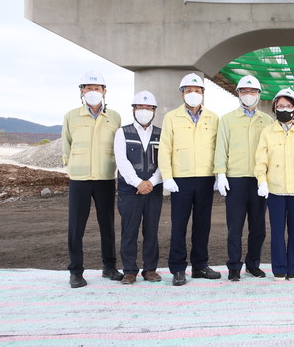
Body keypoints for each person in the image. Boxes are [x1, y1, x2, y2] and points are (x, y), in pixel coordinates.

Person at [62, 71, 123, 288]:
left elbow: (118, 146)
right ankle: (76, 271)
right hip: (80, 178)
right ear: (81, 91)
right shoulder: (71, 116)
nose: (93, 92)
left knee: (107, 224)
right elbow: (66, 145)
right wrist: (72, 167)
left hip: (105, 177)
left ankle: (109, 267)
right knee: (76, 227)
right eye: (88, 88)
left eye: (97, 88)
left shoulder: (114, 117)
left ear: (105, 91)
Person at [159, 73, 221, 286]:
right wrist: (167, 176)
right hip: (181, 179)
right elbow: (165, 148)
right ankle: (178, 269)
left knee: (202, 225)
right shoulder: (171, 117)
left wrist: (218, 174)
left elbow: (218, 148)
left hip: (205, 178)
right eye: (188, 90)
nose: (193, 94)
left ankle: (200, 266)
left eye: (197, 90)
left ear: (203, 93)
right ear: (182, 94)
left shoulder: (213, 118)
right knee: (179, 225)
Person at [214, 75, 273, 281]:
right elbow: (221, 147)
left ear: (259, 95)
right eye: (244, 91)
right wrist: (221, 174)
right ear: (238, 94)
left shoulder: (267, 120)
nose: (248, 95)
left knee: (258, 227)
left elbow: (271, 151)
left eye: (252, 91)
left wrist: (268, 178)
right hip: (235, 179)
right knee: (235, 227)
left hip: (259, 180)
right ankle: (233, 266)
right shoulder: (227, 119)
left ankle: (253, 264)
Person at [254, 88, 294, 281]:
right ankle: (279, 268)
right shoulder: (267, 132)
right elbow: (261, 160)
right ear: (274, 108)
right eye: (280, 106)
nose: (284, 109)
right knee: (277, 231)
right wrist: (262, 181)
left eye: (288, 106)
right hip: (275, 190)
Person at [114, 91, 163, 284]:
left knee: (151, 230)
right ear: (134, 110)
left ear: (154, 111)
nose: (145, 111)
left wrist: (151, 182)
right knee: (129, 231)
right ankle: (129, 271)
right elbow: (122, 161)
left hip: (153, 190)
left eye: (149, 108)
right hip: (129, 191)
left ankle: (150, 269)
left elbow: (165, 161)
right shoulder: (122, 133)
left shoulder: (161, 134)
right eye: (141, 107)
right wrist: (138, 183)